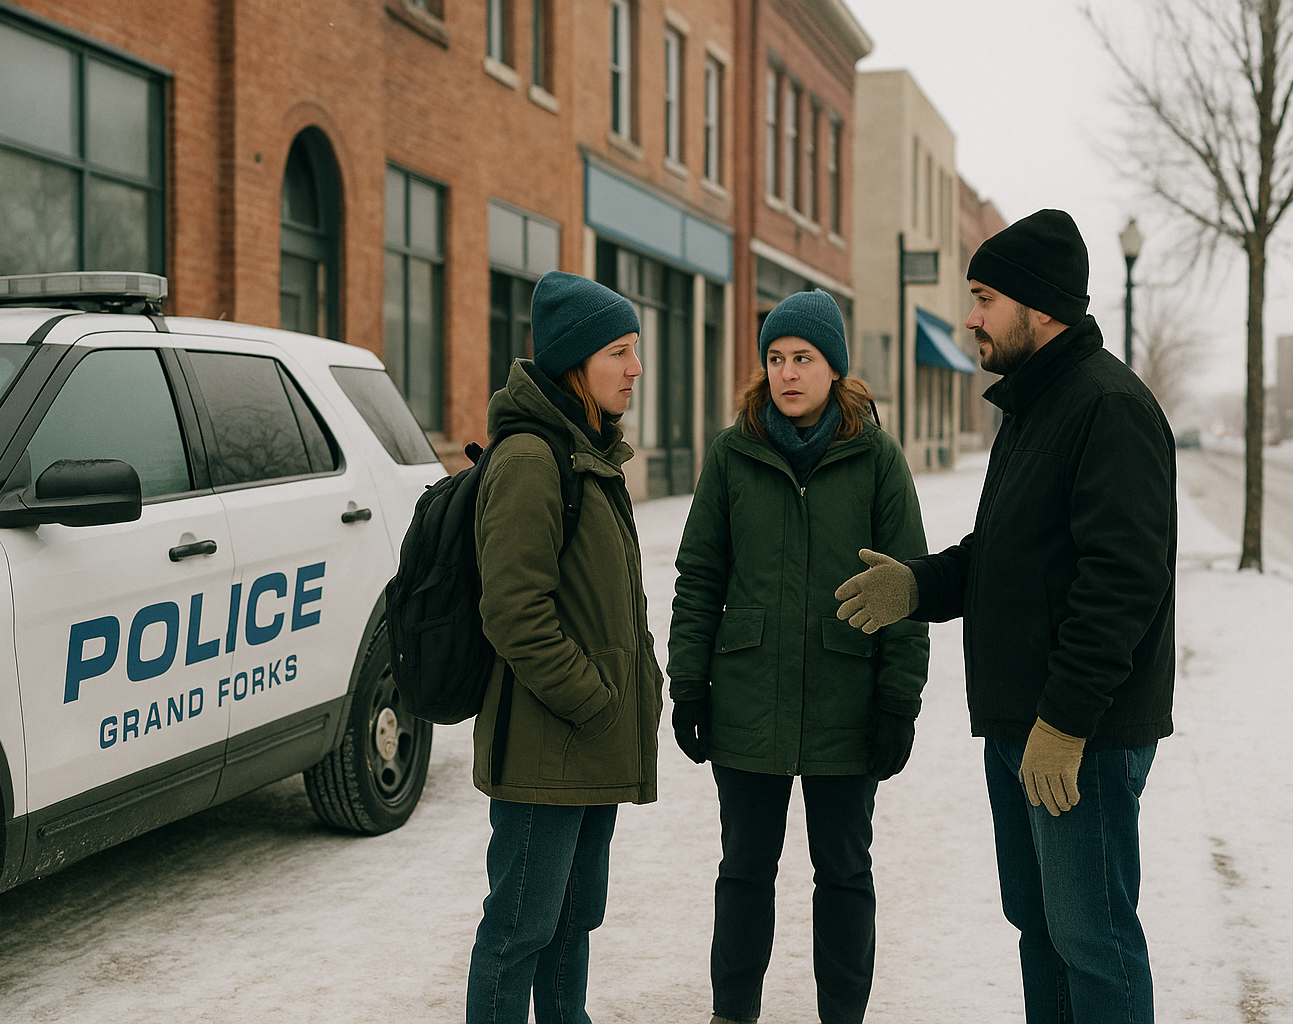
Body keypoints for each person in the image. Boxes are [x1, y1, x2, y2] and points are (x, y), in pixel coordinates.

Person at [834, 209, 1175, 1024]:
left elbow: (1121, 582)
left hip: (1078, 734)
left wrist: (1065, 721)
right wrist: (919, 586)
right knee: (1042, 930)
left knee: (1094, 940)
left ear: (1040, 305)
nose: (971, 317)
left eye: (985, 296)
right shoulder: (1033, 409)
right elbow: (1004, 554)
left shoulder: (1108, 408)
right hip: (1022, 725)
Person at [667, 289, 930, 1024]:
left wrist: (898, 700)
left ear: (834, 369)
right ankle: (733, 1013)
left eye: (803, 358)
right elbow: (700, 576)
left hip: (848, 700)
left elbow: (908, 583)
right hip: (747, 695)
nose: (788, 373)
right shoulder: (733, 452)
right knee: (744, 870)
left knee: (844, 872)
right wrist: (688, 682)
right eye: (777, 358)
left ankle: (842, 1015)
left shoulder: (876, 457)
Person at [465, 270, 663, 1024]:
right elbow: (514, 612)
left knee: (571, 924)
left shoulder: (589, 453)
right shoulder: (530, 460)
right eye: (619, 351)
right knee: (519, 931)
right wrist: (593, 698)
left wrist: (639, 685)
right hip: (547, 747)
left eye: (635, 350)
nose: (635, 369)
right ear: (575, 363)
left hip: (588, 742)